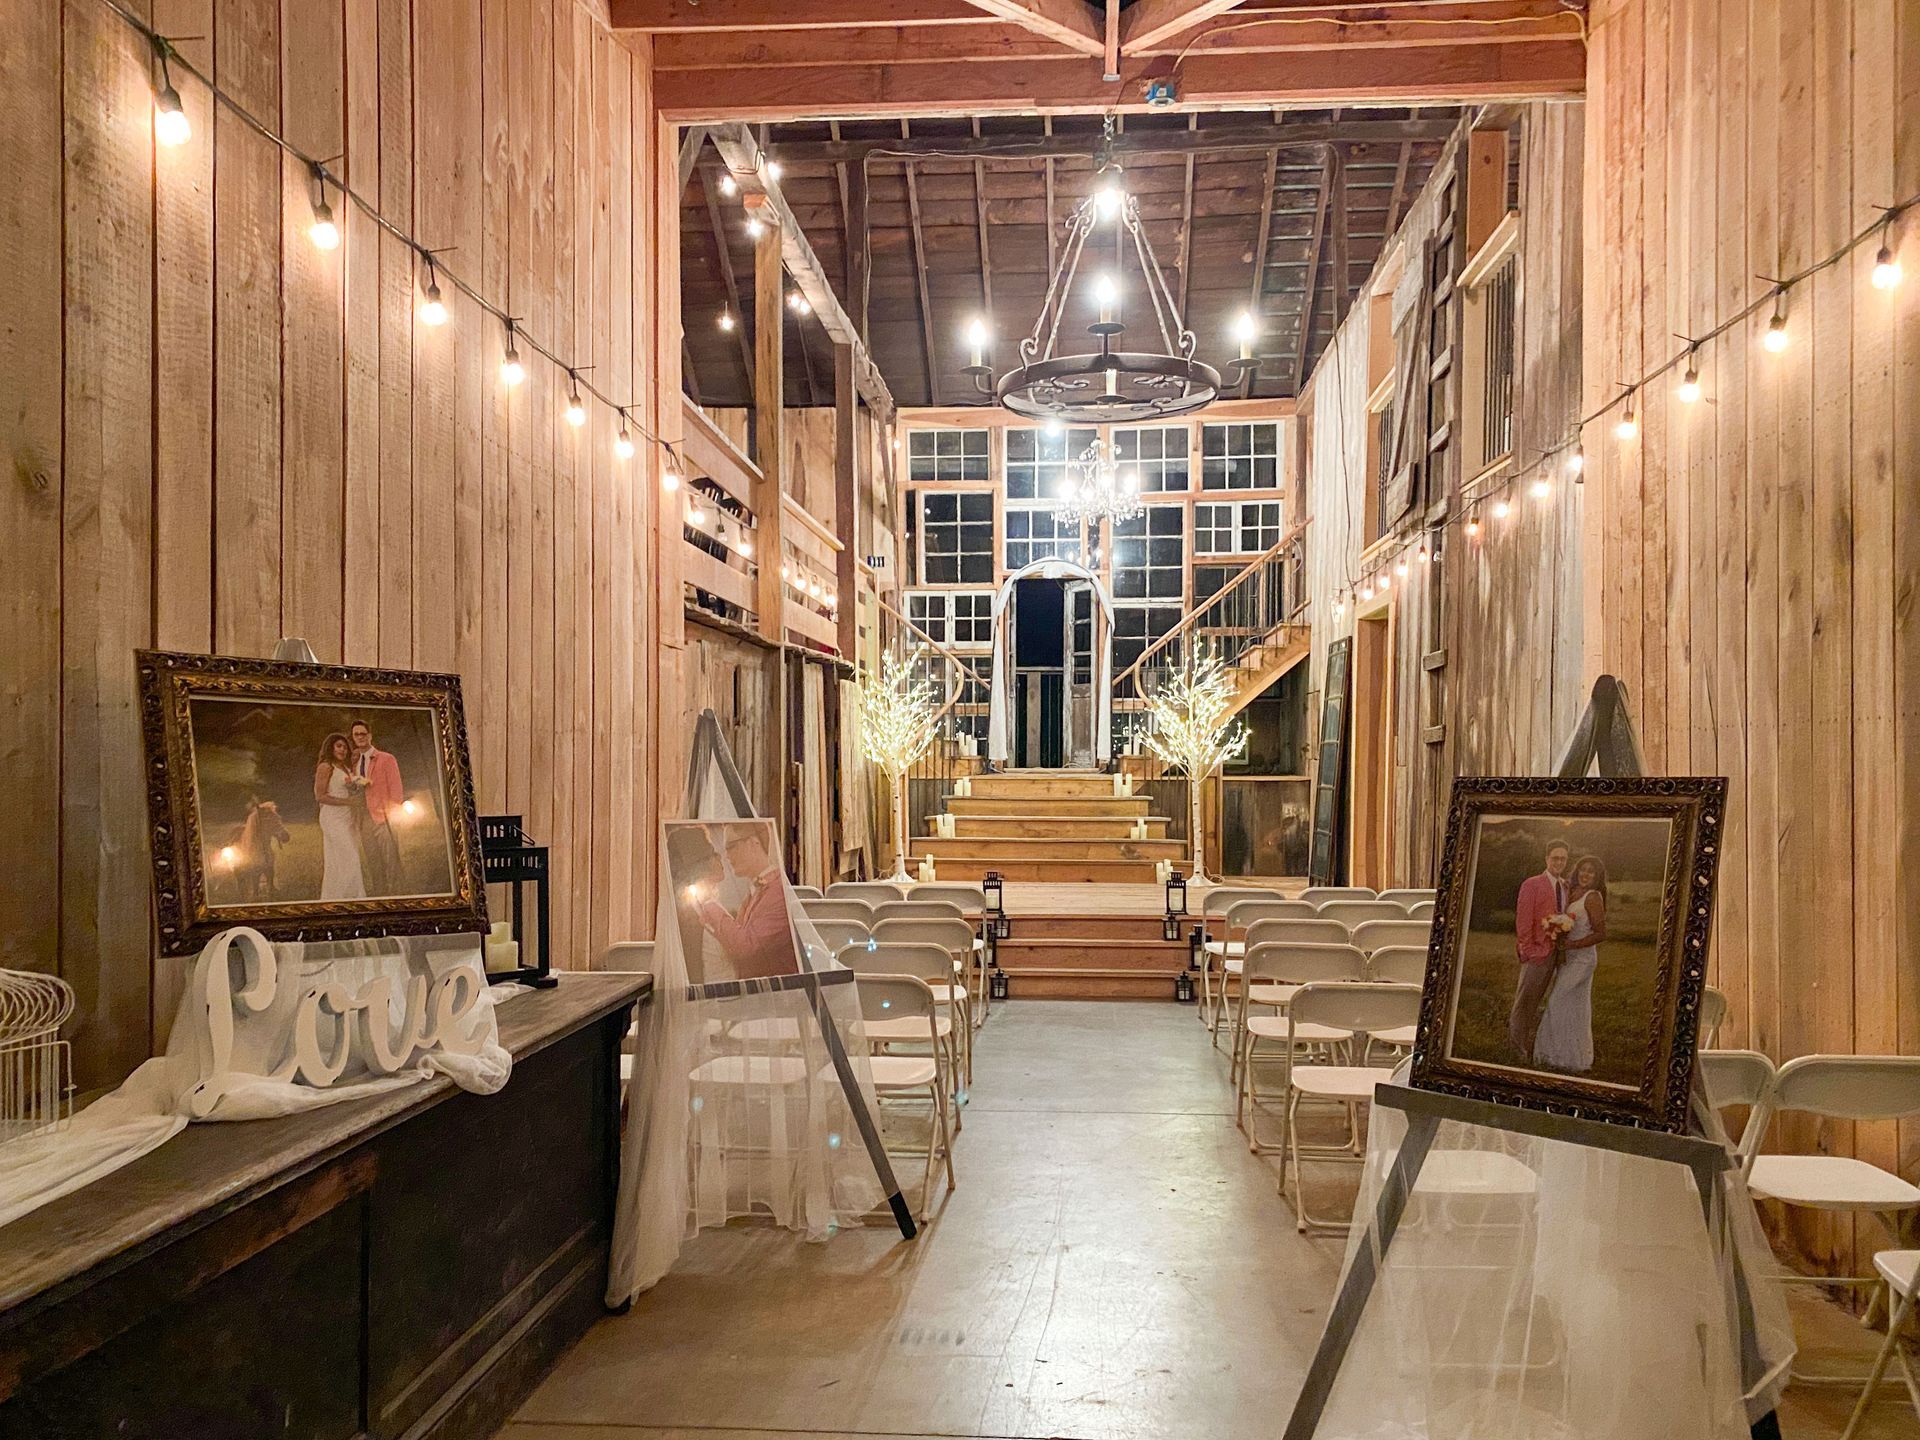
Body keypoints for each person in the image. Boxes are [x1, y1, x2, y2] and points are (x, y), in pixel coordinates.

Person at [1533, 854, 1607, 1073]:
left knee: (1558, 1000)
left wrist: (1573, 946)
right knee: (1573, 1007)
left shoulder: (1593, 898)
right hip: (1567, 958)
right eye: (1583, 870)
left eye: (1591, 872)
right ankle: (1564, 1056)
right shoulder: (1572, 892)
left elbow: (1601, 933)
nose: (1586, 874)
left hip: (1583, 960)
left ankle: (1559, 1056)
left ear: (1597, 877)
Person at [696, 824, 796, 981]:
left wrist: (709, 903)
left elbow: (745, 948)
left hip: (776, 998)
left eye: (731, 846)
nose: (727, 856)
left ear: (754, 843)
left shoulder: (778, 892)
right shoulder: (755, 892)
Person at [1507, 839, 1571, 1057]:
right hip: (1537, 953)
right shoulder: (1532, 884)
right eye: (1555, 858)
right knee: (1525, 1001)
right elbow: (1523, 922)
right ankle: (1517, 1049)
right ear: (1547, 859)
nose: (1559, 862)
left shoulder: (1565, 885)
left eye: (1563, 858)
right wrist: (1529, 951)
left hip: (1558, 953)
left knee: (1547, 1002)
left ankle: (1541, 1047)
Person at [348, 718, 405, 896]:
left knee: (391, 859)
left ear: (370, 736)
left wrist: (391, 816)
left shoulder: (386, 759)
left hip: (383, 818)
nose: (360, 737)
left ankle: (398, 895)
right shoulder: (355, 762)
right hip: (364, 819)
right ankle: (381, 896)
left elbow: (396, 791)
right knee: (373, 860)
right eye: (356, 735)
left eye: (363, 734)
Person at [314, 732, 368, 900]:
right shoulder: (326, 766)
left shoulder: (345, 768)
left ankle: (338, 898)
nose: (343, 750)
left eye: (345, 747)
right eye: (339, 746)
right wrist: (349, 802)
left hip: (347, 818)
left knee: (339, 860)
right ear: (331, 747)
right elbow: (320, 796)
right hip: (332, 818)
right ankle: (351, 899)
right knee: (349, 857)